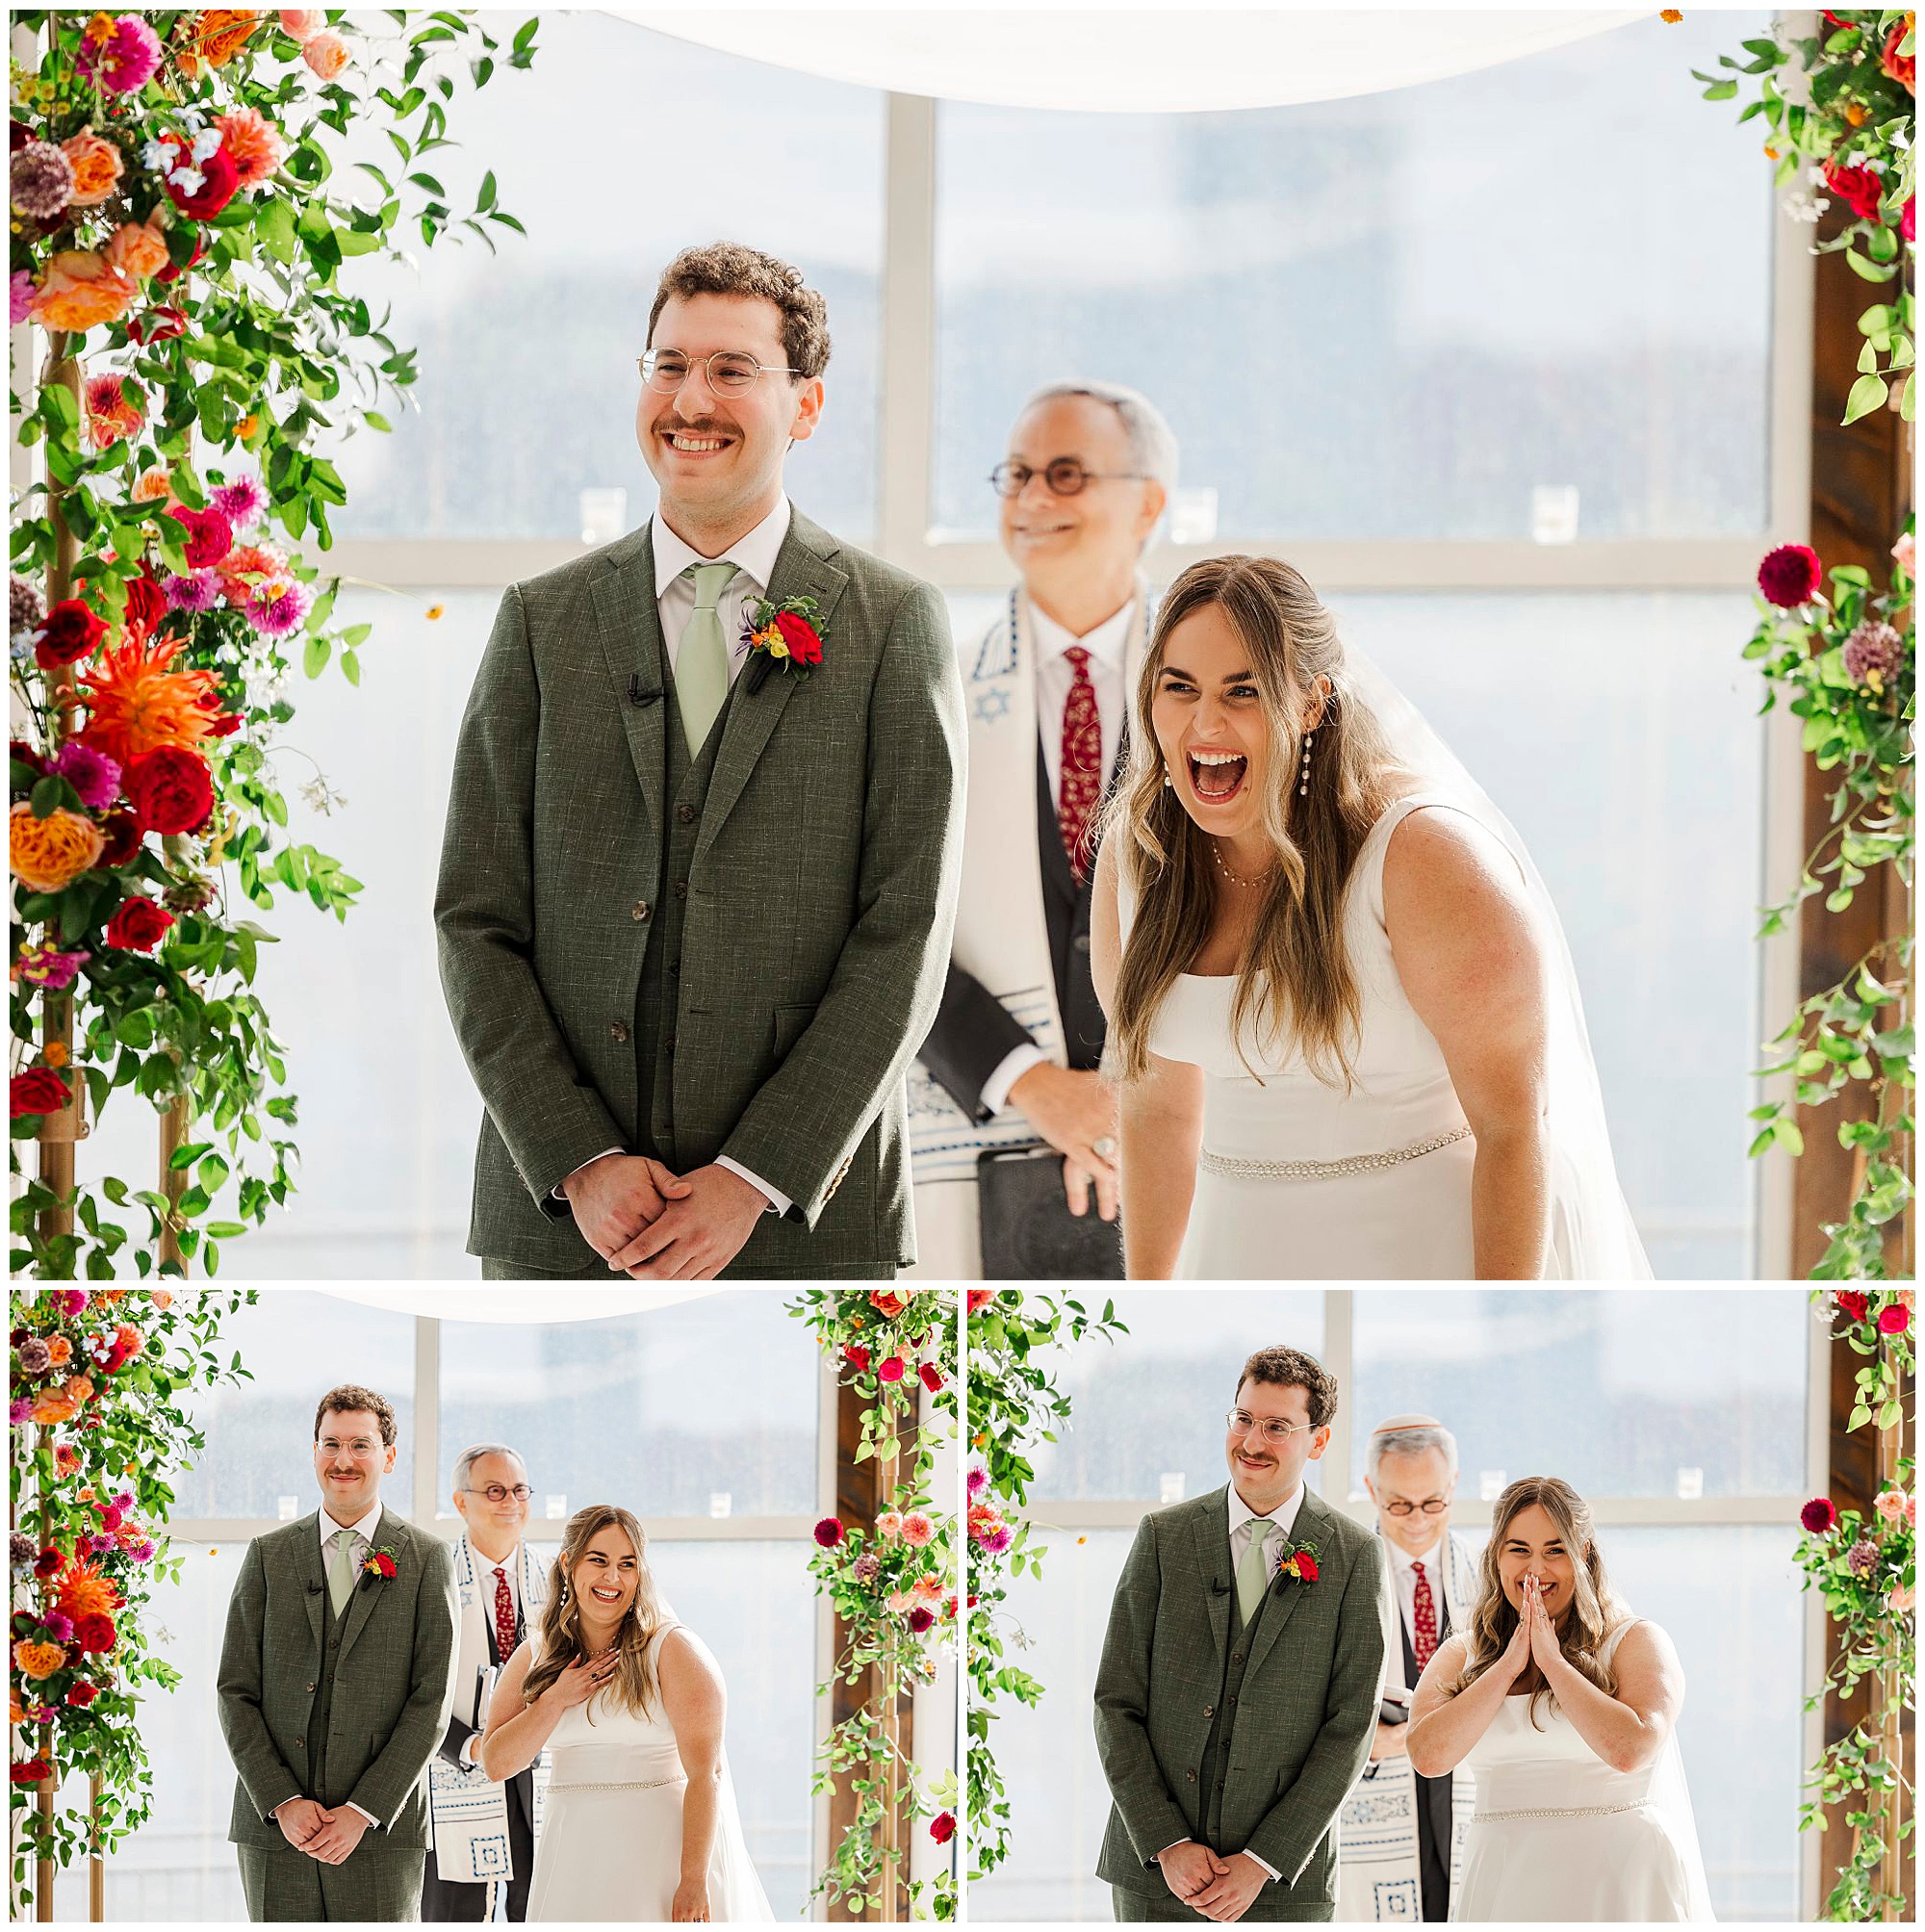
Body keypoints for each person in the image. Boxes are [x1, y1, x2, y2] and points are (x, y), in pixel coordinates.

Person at [437, 241, 965, 1280]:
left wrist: (753, 1177)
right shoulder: (541, 623)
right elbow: (474, 919)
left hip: (800, 1221)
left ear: (805, 407)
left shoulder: (893, 623)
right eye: (667, 366)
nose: (691, 399)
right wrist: (578, 1158)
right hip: (564, 1222)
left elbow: (906, 932)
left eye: (732, 370)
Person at [1090, 553, 1648, 1278]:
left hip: (1427, 1259)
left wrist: (1494, 1311)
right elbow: (1156, 1110)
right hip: (1230, 1261)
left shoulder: (1424, 857)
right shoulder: (1137, 861)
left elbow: (1514, 1127)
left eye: (1243, 690)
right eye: (1179, 688)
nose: (1205, 722)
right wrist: (1153, 1303)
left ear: (1312, 702)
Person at [911, 381, 1171, 1276]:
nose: (1032, 499)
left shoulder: (1228, 692)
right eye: (1017, 475)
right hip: (987, 1140)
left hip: (1190, 1127)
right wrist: (1033, 1083)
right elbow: (879, 921)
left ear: (1150, 502)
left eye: (1067, 473)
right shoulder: (931, 692)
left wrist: (1142, 1097)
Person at [1093, 1346, 1386, 1922]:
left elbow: (1351, 1727)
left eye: (1277, 1427)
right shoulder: (1162, 1537)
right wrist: (1167, 1843)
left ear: (1318, 1441)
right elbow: (1114, 1704)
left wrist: (1262, 1859)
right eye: (1244, 1419)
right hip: (1157, 1877)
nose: (1252, 1443)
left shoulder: (1355, 1555)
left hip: (1283, 1884)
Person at [1404, 1477, 1714, 1922]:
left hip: (1618, 1878)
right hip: (1504, 1878)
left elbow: (1632, 1749)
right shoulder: (1462, 1653)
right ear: (1496, 1554)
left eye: (1555, 1550)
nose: (1537, 1569)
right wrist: (1506, 1667)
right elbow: (1428, 1756)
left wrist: (1553, 1663)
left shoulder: (1637, 1640)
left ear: (1584, 1553)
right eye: (1519, 1549)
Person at [217, 1385, 459, 1922]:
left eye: (361, 1445)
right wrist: (281, 1800)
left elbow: (432, 1702)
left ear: (389, 1456)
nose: (343, 1460)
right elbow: (234, 1691)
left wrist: (363, 1810)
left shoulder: (425, 1560)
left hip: (380, 1833)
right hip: (276, 1833)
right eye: (331, 1444)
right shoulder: (267, 1556)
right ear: (314, 1451)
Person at [481, 1504, 772, 1922]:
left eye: (627, 1564)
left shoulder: (674, 1651)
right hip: (574, 1856)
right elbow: (497, 1764)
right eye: (598, 1561)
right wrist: (555, 1698)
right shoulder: (535, 1654)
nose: (612, 1578)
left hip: (660, 1854)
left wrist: (692, 1879)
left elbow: (707, 1775)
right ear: (568, 1564)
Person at [1336, 1418, 1478, 1924]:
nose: (1417, 1518)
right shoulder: (1338, 1574)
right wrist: (1359, 1738)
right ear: (1372, 1489)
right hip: (1372, 1789)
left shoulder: (1487, 1573)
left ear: (1454, 1485)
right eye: (1398, 1504)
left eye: (1433, 1502)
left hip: (1464, 1790)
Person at [423, 1443, 548, 1921]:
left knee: (536, 1911)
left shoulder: (555, 1577)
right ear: (461, 1502)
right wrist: (469, 1747)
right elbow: (412, 1690)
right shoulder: (432, 1577)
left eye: (519, 1490)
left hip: (538, 1779)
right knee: (454, 1914)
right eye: (494, 1490)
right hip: (455, 1770)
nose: (510, 1502)